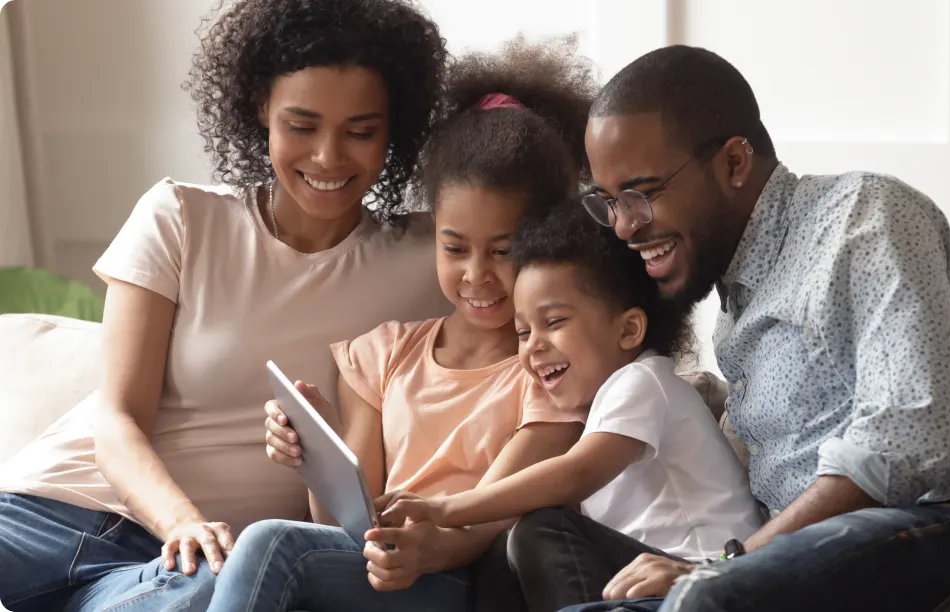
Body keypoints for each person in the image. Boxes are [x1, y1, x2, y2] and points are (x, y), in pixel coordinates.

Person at [519, 45, 950, 611]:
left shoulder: (863, 216)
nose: (623, 227)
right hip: (821, 569)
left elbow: (909, 435)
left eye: (640, 194)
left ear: (734, 164)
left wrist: (724, 567)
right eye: (609, 202)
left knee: (704, 600)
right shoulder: (737, 308)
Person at [0, 1, 448, 610]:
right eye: (302, 125)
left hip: (186, 573)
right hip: (51, 513)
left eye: (361, 131)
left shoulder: (436, 262)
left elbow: (538, 228)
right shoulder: (181, 218)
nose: (328, 157)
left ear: (395, 129)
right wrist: (181, 521)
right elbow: (116, 420)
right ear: (261, 107)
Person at [202, 36, 599, 612]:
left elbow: (495, 513)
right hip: (377, 571)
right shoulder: (382, 354)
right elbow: (340, 524)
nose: (477, 275)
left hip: (463, 579)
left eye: (504, 251)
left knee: (268, 542)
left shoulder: (548, 371)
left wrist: (427, 550)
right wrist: (319, 451)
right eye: (456, 248)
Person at [378, 202, 765, 612]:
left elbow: (576, 474)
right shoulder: (601, 406)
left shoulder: (644, 381)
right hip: (642, 581)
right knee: (502, 549)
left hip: (700, 579)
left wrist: (444, 507)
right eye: (524, 331)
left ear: (628, 329)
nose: (534, 346)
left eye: (555, 322)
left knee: (543, 530)